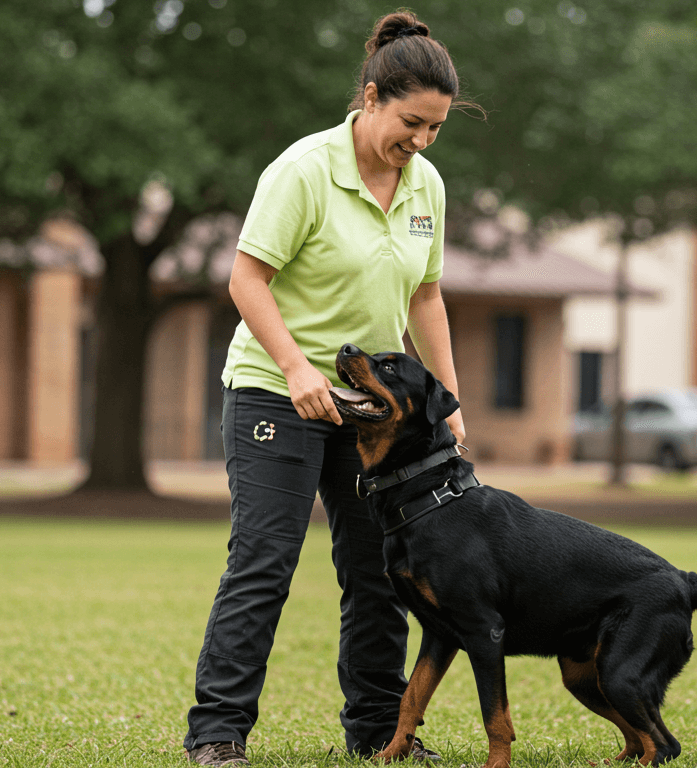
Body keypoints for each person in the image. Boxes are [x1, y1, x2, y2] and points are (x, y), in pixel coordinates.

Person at [182, 11, 472, 767]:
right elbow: (247, 278)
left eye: (437, 128)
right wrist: (296, 368)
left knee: (381, 569)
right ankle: (218, 734)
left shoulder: (425, 185)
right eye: (412, 122)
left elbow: (427, 296)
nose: (422, 141)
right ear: (371, 97)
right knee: (265, 560)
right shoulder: (304, 170)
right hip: (275, 393)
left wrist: (449, 395)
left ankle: (381, 732)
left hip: (372, 409)